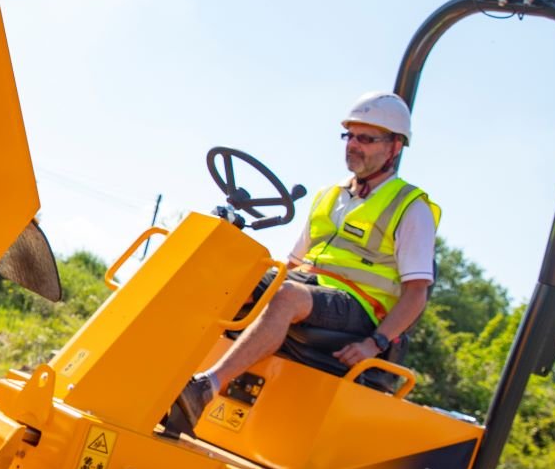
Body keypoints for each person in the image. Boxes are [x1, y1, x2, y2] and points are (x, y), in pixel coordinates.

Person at [170, 91, 440, 433]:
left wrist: (375, 343)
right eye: (350, 136)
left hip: (361, 307)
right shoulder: (330, 195)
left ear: (395, 147)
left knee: (286, 296)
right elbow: (293, 263)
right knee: (232, 274)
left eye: (367, 139)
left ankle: (204, 388)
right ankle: (168, 371)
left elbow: (416, 293)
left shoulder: (409, 206)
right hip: (309, 285)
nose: (354, 145)